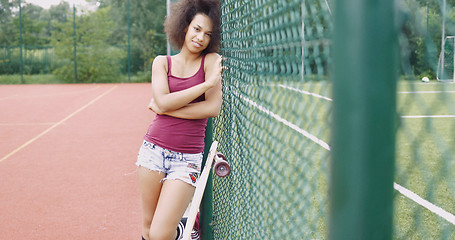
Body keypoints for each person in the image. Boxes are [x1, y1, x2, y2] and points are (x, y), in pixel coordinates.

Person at [136, 0, 223, 239]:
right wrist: (206, 84)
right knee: (147, 228)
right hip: (153, 151)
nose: (201, 38)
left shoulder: (211, 61)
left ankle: (182, 229)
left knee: (160, 233)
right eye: (197, 29)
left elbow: (212, 108)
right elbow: (162, 102)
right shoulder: (161, 62)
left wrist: (164, 108)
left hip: (187, 159)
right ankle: (183, 230)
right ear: (185, 27)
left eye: (208, 34)